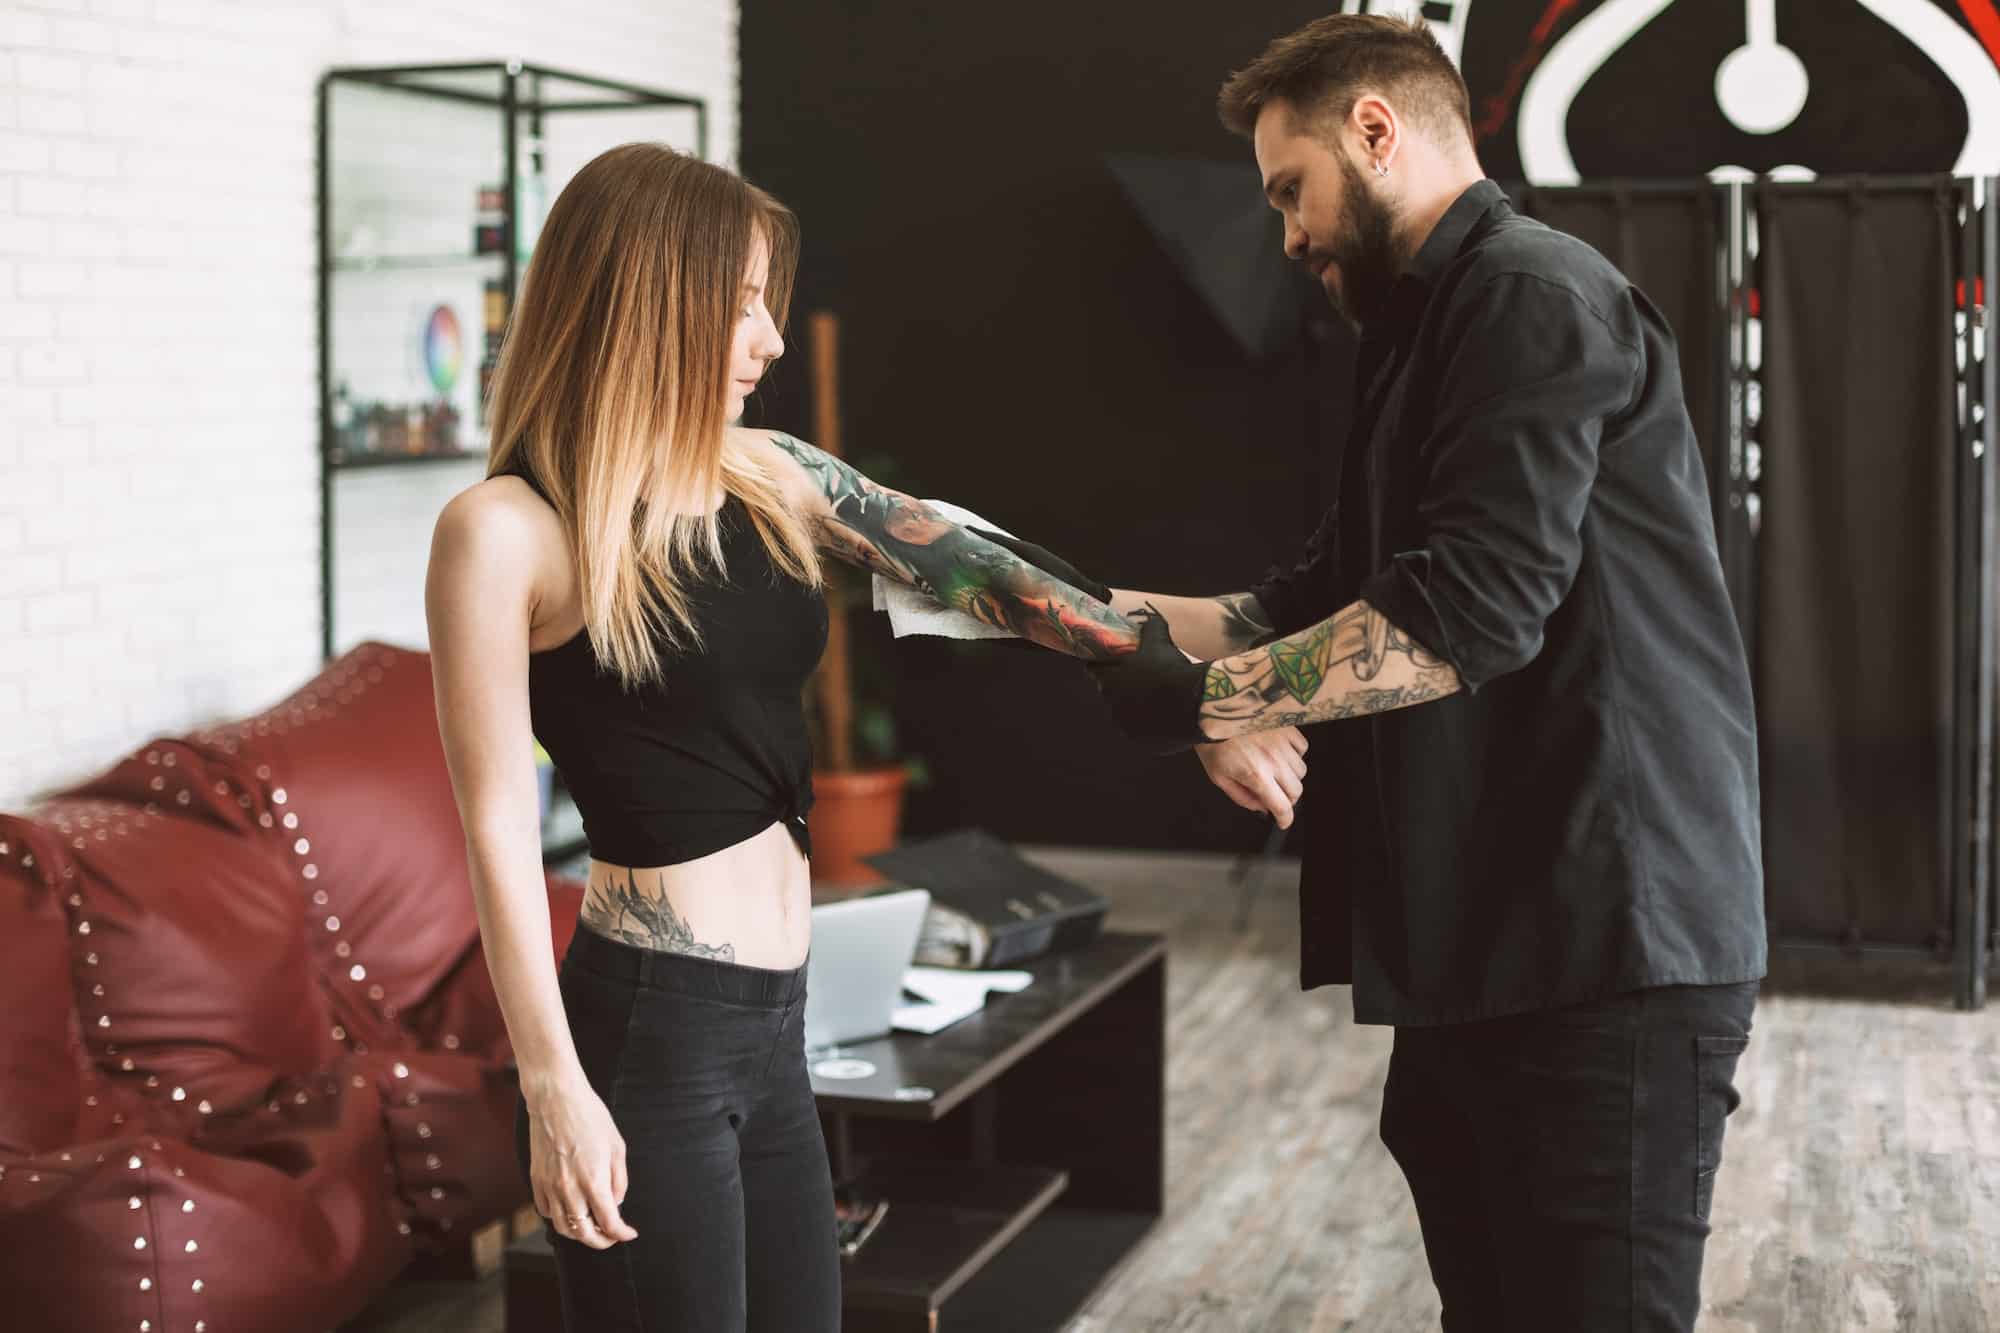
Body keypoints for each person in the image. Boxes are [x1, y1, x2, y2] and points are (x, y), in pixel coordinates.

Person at [423, 142, 1306, 1332]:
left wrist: (1213, 677)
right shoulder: (505, 533)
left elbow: (986, 572)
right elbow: (490, 823)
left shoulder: (768, 477)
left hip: (780, 1025)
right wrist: (552, 1087)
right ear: (647, 298)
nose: (768, 339)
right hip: (649, 1036)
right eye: (737, 302)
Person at [1006, 15, 1767, 1331]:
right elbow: (1293, 606)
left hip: (1611, 953)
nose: (1288, 234)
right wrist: (1050, 608)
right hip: (1491, 943)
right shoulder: (1426, 331)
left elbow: (1466, 615)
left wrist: (1205, 704)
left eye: (1288, 188)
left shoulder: (1535, 295)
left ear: (1376, 128)